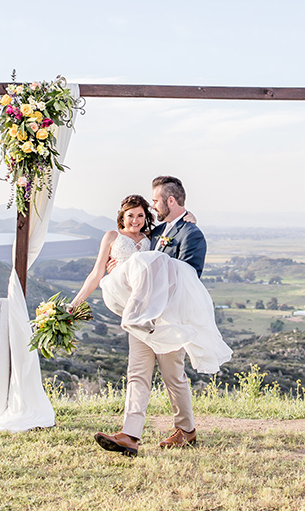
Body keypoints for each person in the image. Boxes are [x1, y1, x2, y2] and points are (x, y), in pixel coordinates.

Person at [70, 178, 232, 457]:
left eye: (155, 201)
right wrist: (120, 273)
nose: (152, 206)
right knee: (137, 374)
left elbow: (188, 277)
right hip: (140, 317)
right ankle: (130, 436)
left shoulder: (190, 234)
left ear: (170, 201)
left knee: (173, 376)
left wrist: (189, 219)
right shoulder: (155, 233)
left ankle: (186, 430)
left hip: (168, 319)